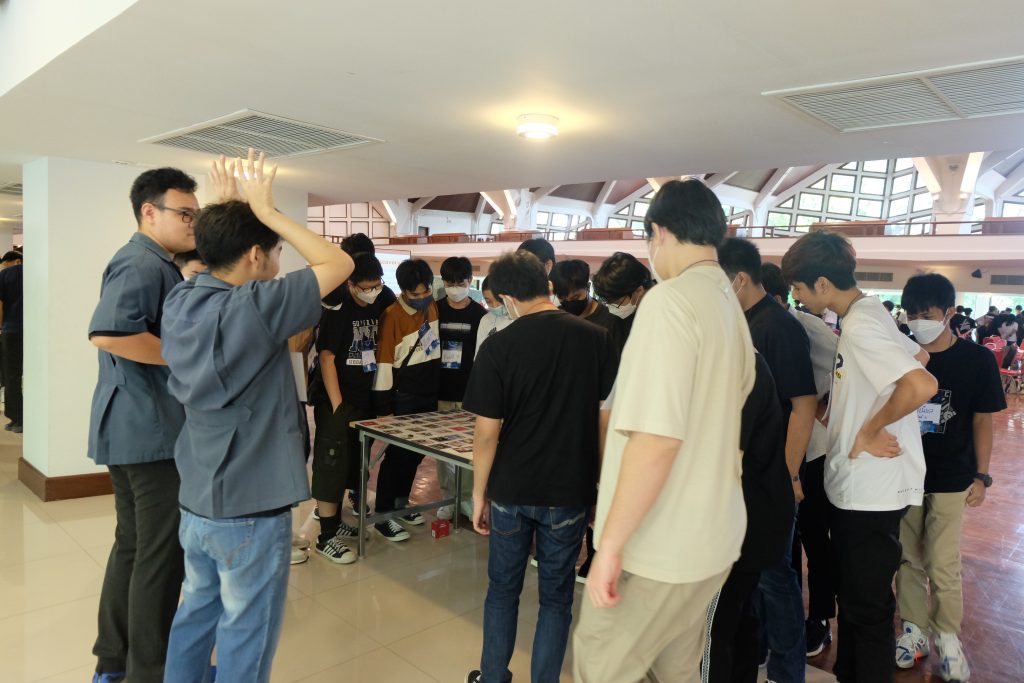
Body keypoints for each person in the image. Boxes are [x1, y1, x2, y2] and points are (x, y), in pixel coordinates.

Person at [161, 151, 353, 682]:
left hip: (198, 499)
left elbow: (211, 260)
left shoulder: (181, 301)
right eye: (274, 251)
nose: (277, 261)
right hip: (250, 506)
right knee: (247, 627)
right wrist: (267, 211)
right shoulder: (257, 307)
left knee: (196, 613)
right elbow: (339, 264)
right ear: (254, 255)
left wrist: (229, 209)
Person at [573, 178, 756, 683]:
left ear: (658, 232)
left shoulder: (669, 302)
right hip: (712, 535)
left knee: (601, 663)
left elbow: (656, 439)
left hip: (661, 545)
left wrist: (609, 546)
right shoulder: (728, 304)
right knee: (676, 668)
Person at [781, 231, 937, 683]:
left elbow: (921, 383)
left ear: (822, 283)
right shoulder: (867, 312)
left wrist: (869, 428)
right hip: (868, 487)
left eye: (798, 287)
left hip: (869, 491)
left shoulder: (863, 324)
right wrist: (852, 408)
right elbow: (921, 355)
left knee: (867, 610)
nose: (796, 295)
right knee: (857, 600)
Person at [463, 250, 618, 683]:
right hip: (569, 487)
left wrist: (478, 494)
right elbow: (605, 420)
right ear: (547, 286)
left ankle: (493, 676)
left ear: (508, 298)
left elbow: (486, 434)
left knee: (502, 591)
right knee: (556, 598)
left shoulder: (498, 346)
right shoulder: (597, 338)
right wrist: (598, 486)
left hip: (511, 488)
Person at [87, 166, 202, 683]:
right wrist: (183, 356)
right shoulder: (142, 262)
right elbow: (109, 333)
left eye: (196, 214)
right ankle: (149, 671)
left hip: (131, 427)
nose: (193, 223)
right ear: (149, 212)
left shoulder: (158, 264)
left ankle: (115, 661)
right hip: (150, 431)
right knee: (159, 554)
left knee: (134, 545)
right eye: (185, 214)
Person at [895, 274, 1005, 682]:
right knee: (908, 557)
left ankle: (946, 636)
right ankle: (913, 630)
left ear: (949, 313)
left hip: (952, 475)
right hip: (905, 474)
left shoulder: (976, 360)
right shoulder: (901, 355)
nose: (917, 322)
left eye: (926, 314)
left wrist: (981, 475)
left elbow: (982, 421)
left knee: (942, 560)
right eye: (911, 315)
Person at [719, 238, 816, 682]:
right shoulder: (743, 322)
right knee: (753, 577)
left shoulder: (777, 327)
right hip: (748, 473)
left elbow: (803, 406)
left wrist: (789, 474)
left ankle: (787, 669)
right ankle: (755, 653)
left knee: (776, 577)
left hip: (771, 478)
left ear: (739, 279)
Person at [761, 262, 840, 657]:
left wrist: (821, 407)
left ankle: (820, 618)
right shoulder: (754, 325)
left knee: (814, 537)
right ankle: (780, 622)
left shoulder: (809, 329)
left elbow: (841, 376)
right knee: (783, 540)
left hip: (813, 452)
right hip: (777, 449)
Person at [703, 351, 792, 683]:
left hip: (739, 520)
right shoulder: (741, 359)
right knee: (739, 620)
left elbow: (727, 462)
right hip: (754, 514)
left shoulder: (735, 365)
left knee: (712, 632)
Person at [310, 251, 395, 564]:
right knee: (331, 465)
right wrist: (338, 407)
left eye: (377, 285)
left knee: (353, 466)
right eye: (366, 287)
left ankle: (335, 523)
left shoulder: (380, 301)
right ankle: (326, 537)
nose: (372, 292)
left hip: (365, 399)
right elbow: (327, 358)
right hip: (338, 401)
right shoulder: (338, 309)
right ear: (350, 284)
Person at [371, 258, 441, 540]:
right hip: (404, 396)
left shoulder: (432, 307)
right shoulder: (392, 316)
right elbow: (384, 362)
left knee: (415, 454)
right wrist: (384, 408)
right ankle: (383, 514)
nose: (423, 297)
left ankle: (401, 505)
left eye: (427, 291)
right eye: (416, 294)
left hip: (428, 392)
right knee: (397, 457)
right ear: (403, 291)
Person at [435, 256, 486, 520]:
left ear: (469, 281)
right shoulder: (434, 310)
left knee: (467, 448)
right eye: (450, 283)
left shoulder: (480, 315)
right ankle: (447, 497)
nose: (455, 288)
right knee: (441, 449)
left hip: (468, 392)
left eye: (460, 283)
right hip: (440, 390)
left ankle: (465, 497)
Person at [550, 259, 624, 348]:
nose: (569, 302)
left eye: (575, 297)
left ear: (588, 287)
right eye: (563, 299)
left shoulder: (610, 320)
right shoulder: (557, 318)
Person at [591, 251, 652, 342]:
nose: (611, 309)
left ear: (638, 290)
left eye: (617, 303)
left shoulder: (662, 314)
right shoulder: (624, 318)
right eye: (608, 303)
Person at [0, 250, 24, 433]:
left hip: (12, 330)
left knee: (11, 375)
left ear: (16, 261)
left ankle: (17, 417)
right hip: (34, 331)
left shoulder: (6, 275)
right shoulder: (39, 273)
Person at [474, 276, 513, 357]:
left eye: (498, 300)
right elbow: (479, 354)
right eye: (488, 301)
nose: (495, 306)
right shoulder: (486, 320)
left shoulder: (522, 317)